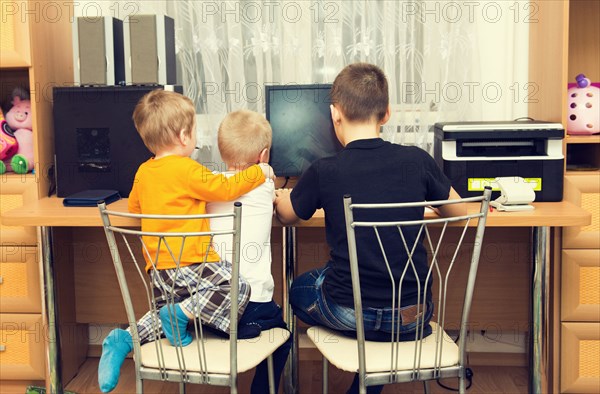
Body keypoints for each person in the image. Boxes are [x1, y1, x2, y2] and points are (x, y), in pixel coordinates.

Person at [274, 63, 466, 394]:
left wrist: (282, 196)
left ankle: (364, 366)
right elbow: (460, 211)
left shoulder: (325, 170)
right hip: (413, 317)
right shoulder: (417, 161)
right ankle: (371, 378)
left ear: (335, 114)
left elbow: (289, 216)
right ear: (387, 113)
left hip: (350, 315)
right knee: (358, 282)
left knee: (300, 288)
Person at [98, 90, 274, 393]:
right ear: (183, 136)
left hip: (158, 273)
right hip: (192, 266)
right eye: (194, 131)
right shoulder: (187, 169)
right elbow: (224, 189)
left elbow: (135, 209)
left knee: (162, 316)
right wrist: (260, 172)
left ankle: (124, 338)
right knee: (236, 285)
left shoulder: (143, 172)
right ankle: (180, 314)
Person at [207, 109, 292, 394]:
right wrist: (274, 183)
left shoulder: (209, 187)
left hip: (209, 307)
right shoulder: (266, 184)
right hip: (252, 306)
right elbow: (276, 196)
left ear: (222, 154)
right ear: (264, 154)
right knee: (283, 336)